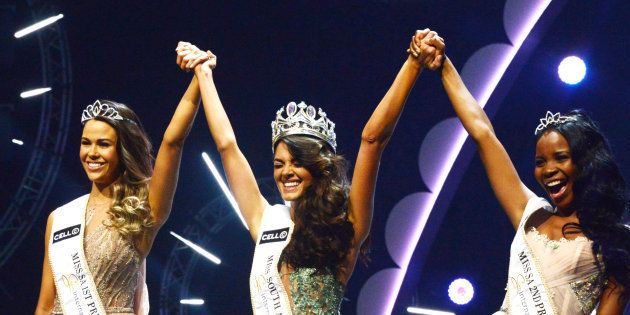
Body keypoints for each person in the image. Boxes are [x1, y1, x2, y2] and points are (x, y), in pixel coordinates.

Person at [175, 29, 441, 314]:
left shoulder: (345, 226)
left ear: (319, 168)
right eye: (279, 165)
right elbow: (227, 146)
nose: (286, 172)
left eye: (297, 162)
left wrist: (413, 63)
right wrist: (203, 72)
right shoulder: (267, 220)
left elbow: (372, 141)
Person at [409, 30, 630, 314]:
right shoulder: (531, 214)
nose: (549, 170)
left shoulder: (616, 243)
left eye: (560, 158)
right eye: (540, 162)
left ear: (586, 163)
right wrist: (444, 65)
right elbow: (483, 134)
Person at [34, 46, 208, 314]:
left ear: (122, 150)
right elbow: (45, 306)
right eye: (85, 143)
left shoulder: (143, 206)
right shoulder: (59, 218)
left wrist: (199, 76)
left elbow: (172, 143)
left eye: (103, 144)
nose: (92, 153)